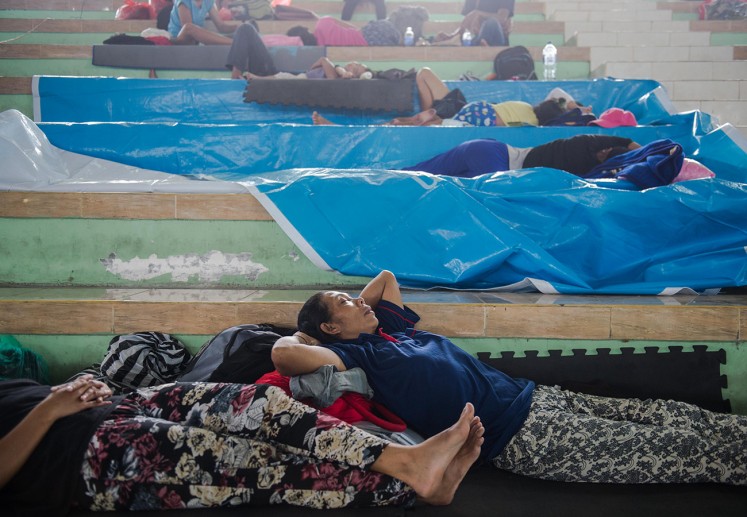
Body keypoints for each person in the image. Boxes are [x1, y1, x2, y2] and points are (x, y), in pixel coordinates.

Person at [272, 270, 747, 486]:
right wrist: (311, 332)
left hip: (539, 398)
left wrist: (352, 309)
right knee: (681, 451)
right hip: (523, 438)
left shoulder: (391, 332)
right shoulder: (350, 360)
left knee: (673, 417)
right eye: (345, 303)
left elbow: (386, 279)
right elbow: (284, 355)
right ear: (331, 329)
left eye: (352, 298)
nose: (359, 301)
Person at [0, 374, 484, 514]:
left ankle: (404, 460)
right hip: (87, 460)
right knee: (260, 463)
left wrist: (77, 387)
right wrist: (50, 409)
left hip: (112, 406)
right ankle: (412, 486)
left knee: (258, 404)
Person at [401, 135, 641, 178]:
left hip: (489, 149)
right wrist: (636, 153)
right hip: (499, 161)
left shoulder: (587, 143)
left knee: (423, 172)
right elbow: (626, 142)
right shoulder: (587, 148)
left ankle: (377, 179)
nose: (603, 150)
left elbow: (623, 143)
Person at [288, 16, 400, 47]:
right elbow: (350, 26)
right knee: (391, 25)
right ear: (305, 29)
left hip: (371, 43)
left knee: (395, 39)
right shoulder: (322, 22)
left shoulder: (319, 49)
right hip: (368, 33)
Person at [168, 0, 241, 45]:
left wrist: (238, 27)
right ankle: (234, 43)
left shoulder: (208, 1)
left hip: (195, 40)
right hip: (179, 38)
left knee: (224, 36)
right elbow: (188, 31)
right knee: (189, 27)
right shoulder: (183, 1)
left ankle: (235, 42)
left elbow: (221, 26)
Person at [247, 57, 372, 80]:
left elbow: (323, 60)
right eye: (357, 63)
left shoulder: (338, 72)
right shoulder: (336, 68)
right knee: (282, 75)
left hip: (305, 78)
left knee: (281, 76)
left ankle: (258, 78)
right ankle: (259, 78)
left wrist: (346, 73)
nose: (354, 65)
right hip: (306, 75)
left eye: (356, 69)